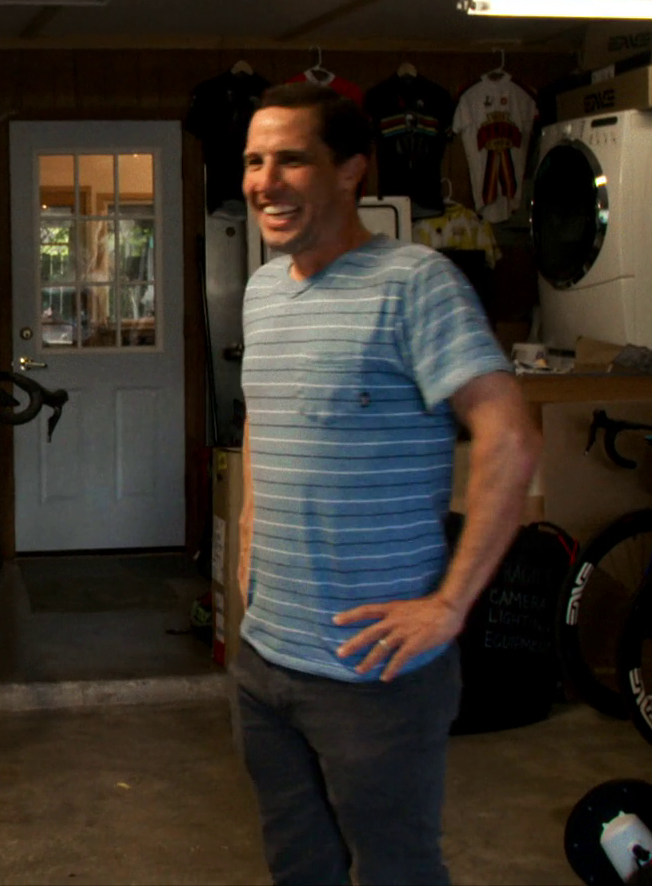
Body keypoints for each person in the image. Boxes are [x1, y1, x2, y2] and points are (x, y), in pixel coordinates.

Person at [232, 82, 539, 885]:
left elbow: (509, 435)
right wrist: (249, 536)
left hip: (376, 675)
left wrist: (450, 605)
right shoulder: (264, 291)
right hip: (267, 661)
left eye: (291, 160)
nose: (265, 182)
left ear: (351, 170)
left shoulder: (416, 283)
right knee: (299, 867)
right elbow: (266, 414)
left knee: (396, 870)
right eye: (254, 162)